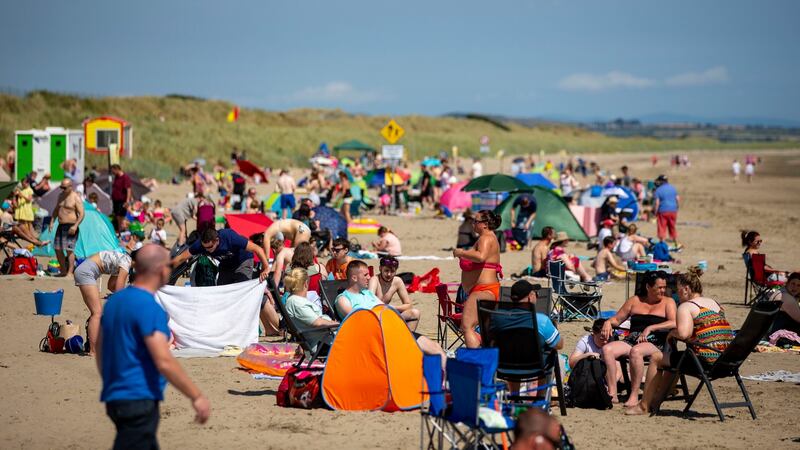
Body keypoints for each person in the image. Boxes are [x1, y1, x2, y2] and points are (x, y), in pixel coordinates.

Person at [98, 245, 210, 448]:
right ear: (160, 269)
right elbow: (163, 360)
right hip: (138, 397)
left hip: (114, 396)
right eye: (169, 265)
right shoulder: (149, 307)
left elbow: (100, 347)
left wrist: (110, 380)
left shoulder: (115, 301)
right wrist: (197, 396)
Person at [627, 268, 733, 415]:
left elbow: (683, 333)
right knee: (676, 359)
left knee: (657, 358)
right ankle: (656, 401)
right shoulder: (715, 303)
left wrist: (672, 334)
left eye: (677, 291)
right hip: (726, 360)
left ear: (686, 289)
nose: (676, 295)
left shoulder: (687, 306)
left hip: (706, 361)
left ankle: (644, 405)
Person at [335, 260, 444, 363]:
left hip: (391, 331)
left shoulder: (368, 294)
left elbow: (385, 308)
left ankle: (443, 381)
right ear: (354, 278)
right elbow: (356, 322)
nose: (369, 277)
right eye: (365, 275)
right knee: (433, 352)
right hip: (379, 339)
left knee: (437, 349)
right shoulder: (343, 299)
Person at [601, 271, 676, 407]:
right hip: (632, 339)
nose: (663, 290)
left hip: (655, 341)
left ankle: (634, 395)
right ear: (648, 287)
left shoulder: (668, 302)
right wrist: (607, 322)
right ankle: (613, 393)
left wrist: (651, 328)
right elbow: (617, 319)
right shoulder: (634, 300)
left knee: (636, 351)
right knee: (607, 349)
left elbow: (674, 322)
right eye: (659, 287)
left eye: (664, 287)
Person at [454, 210, 503, 348]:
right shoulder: (488, 238)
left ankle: (475, 362)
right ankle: (484, 355)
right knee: (480, 328)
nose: (473, 224)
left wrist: (461, 252)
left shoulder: (486, 238)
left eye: (476, 221)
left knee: (467, 326)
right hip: (486, 289)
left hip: (484, 290)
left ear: (485, 224)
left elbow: (481, 256)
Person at [74, 250, 133, 355]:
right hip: (86, 273)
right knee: (97, 313)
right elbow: (119, 290)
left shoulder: (122, 260)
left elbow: (111, 286)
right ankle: (93, 350)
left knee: (97, 313)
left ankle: (95, 347)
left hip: (85, 271)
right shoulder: (126, 262)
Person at [171, 228, 270, 284]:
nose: (207, 250)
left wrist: (266, 268)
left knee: (241, 289)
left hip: (243, 261)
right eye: (204, 247)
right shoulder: (200, 245)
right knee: (222, 291)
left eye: (210, 247)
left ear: (217, 241)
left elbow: (258, 249)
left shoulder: (229, 237)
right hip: (226, 265)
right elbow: (181, 258)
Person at [283, 268, 339, 352]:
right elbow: (317, 323)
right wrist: (338, 324)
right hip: (322, 343)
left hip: (322, 338)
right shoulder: (297, 303)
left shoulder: (294, 300)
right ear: (306, 284)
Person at [368, 256, 420, 329]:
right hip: (373, 316)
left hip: (386, 314)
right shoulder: (374, 280)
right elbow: (370, 302)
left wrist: (393, 308)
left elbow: (409, 305)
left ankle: (407, 339)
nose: (389, 274)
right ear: (380, 269)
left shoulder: (397, 281)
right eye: (386, 271)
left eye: (392, 271)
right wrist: (386, 308)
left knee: (415, 313)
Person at [568, 319, 621, 385]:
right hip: (588, 376)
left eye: (608, 338)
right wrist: (588, 355)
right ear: (593, 334)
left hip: (607, 378)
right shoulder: (585, 341)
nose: (605, 342)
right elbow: (571, 363)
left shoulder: (612, 341)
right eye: (602, 338)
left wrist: (610, 385)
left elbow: (619, 368)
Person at [50, 178, 85, 276]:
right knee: (57, 249)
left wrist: (75, 226)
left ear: (70, 187)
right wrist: (52, 221)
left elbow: (82, 213)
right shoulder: (60, 196)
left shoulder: (75, 197)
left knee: (69, 250)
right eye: (61, 187)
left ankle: (70, 272)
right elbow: (56, 209)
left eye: (64, 187)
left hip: (71, 226)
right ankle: (63, 270)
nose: (62, 189)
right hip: (61, 226)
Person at [653, 174, 680, 248]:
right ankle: (675, 242)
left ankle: (662, 243)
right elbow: (677, 199)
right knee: (672, 226)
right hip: (673, 210)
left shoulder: (658, 190)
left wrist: (655, 212)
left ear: (661, 181)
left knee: (662, 226)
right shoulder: (673, 188)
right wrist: (676, 207)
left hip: (663, 210)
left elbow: (657, 203)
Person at [111, 164, 132, 232]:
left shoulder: (125, 177)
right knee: (117, 216)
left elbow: (128, 189)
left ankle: (122, 230)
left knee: (121, 216)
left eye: (113, 171)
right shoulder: (116, 177)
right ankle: (120, 230)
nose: (113, 173)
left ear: (117, 169)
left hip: (122, 200)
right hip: (115, 200)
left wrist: (127, 201)